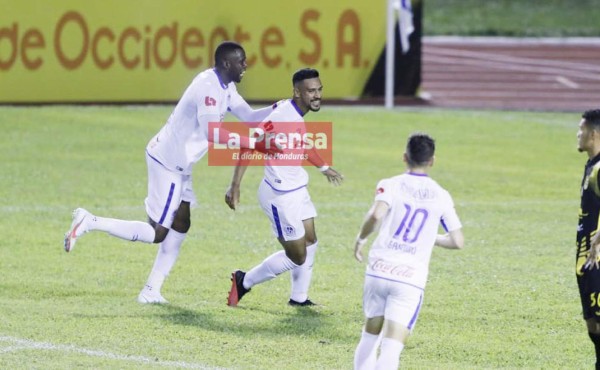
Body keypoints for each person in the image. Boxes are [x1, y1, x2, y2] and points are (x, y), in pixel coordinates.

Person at [63, 41, 279, 304]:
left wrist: (283, 108)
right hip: (169, 163)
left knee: (181, 222)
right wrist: (254, 143)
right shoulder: (208, 89)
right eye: (241, 61)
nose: (246, 66)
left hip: (178, 163)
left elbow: (250, 117)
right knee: (157, 233)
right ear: (226, 63)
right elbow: (214, 133)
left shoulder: (226, 86)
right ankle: (90, 222)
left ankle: (151, 290)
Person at [224, 68, 343, 307]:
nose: (317, 95)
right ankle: (243, 281)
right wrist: (234, 185)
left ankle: (298, 298)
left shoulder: (295, 113)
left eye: (319, 89)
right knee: (297, 256)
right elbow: (250, 143)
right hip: (279, 196)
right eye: (311, 91)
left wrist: (324, 168)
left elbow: (302, 143)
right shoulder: (283, 116)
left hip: (297, 188)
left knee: (311, 240)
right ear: (297, 92)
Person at [352, 133, 464, 369]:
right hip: (409, 278)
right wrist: (430, 238)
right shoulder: (441, 195)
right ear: (432, 160)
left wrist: (361, 239)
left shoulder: (389, 184)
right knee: (392, 345)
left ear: (404, 157)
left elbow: (375, 215)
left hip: (379, 270)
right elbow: (457, 241)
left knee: (370, 335)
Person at [575, 109, 600, 369]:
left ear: (593, 134)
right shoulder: (591, 165)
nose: (578, 134)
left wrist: (597, 240)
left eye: (581, 129)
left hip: (598, 256)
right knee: (592, 322)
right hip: (585, 255)